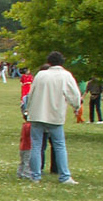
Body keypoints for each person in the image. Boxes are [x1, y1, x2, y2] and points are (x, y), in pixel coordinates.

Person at [25, 51, 81, 184]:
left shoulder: (41, 74)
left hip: (37, 114)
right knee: (59, 145)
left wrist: (28, 109)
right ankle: (64, 176)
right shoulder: (65, 75)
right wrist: (76, 107)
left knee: (36, 145)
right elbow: (74, 95)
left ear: (49, 62)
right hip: (55, 114)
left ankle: (35, 175)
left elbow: (31, 93)